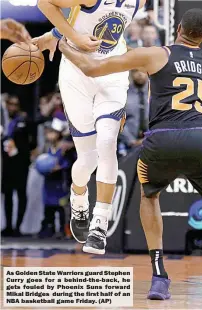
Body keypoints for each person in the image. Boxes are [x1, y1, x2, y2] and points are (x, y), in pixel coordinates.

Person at [59, 8, 202, 299]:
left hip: (161, 141)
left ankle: (159, 277)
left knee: (150, 195)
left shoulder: (156, 54)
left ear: (177, 29)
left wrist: (63, 45)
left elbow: (91, 68)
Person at [34, 0, 146, 254]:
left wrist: (58, 34)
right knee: (88, 158)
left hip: (112, 73)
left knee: (107, 143)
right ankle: (79, 194)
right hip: (76, 73)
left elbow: (107, 28)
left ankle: (99, 223)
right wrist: (67, 35)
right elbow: (45, 3)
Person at [1, 95, 36, 237]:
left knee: (21, 193)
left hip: (21, 163)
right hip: (7, 163)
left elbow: (33, 142)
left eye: (15, 104)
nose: (12, 107)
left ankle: (18, 227)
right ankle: (8, 225)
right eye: (10, 104)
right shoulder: (4, 121)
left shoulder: (23, 120)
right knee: (7, 194)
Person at [119, 69, 149, 151]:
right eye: (135, 71)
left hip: (153, 143)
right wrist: (131, 141)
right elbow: (119, 120)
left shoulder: (156, 93)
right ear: (130, 73)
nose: (139, 74)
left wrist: (151, 139)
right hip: (128, 145)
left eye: (143, 70)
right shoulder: (123, 94)